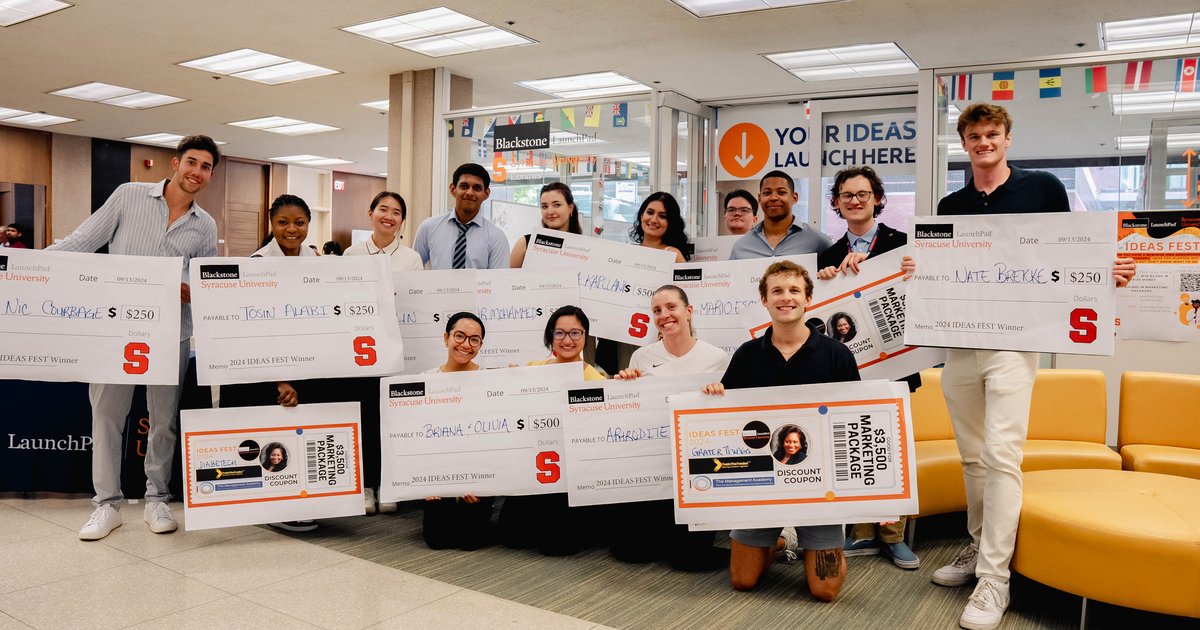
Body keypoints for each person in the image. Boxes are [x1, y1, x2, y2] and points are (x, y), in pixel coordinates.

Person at [903, 103, 1136, 630]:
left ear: (1007, 139)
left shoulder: (1044, 188)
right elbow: (943, 270)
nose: (984, 142)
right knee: (972, 457)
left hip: (1015, 343)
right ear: (963, 143)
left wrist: (1107, 271)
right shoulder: (951, 203)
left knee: (1002, 453)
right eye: (974, 135)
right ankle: (977, 547)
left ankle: (995, 580)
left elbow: (1071, 252)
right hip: (962, 342)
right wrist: (920, 267)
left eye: (992, 134)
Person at [47, 135, 220, 541]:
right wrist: (29, 264)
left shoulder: (205, 225)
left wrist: (189, 289)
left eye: (206, 166)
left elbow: (206, 284)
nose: (196, 172)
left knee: (163, 421)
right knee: (107, 415)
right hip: (117, 329)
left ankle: (156, 498)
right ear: (175, 163)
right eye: (191, 162)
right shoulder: (128, 196)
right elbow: (83, 242)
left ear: (211, 174)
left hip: (172, 332)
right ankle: (106, 505)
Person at [701, 260, 858, 602]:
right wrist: (714, 400)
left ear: (808, 299)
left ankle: (801, 538)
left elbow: (855, 418)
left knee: (825, 590)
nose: (785, 298)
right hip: (762, 481)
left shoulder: (837, 355)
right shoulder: (746, 354)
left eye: (793, 291)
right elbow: (730, 420)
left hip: (819, 482)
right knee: (742, 580)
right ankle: (783, 540)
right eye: (776, 291)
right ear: (764, 300)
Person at [610, 285, 730, 571]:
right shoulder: (641, 356)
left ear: (688, 312)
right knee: (630, 553)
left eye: (671, 307)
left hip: (696, 468)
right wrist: (625, 384)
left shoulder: (717, 358)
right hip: (654, 463)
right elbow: (632, 413)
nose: (664, 315)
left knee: (688, 561)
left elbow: (726, 418)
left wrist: (718, 393)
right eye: (657, 310)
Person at [499, 305, 605, 555]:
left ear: (585, 337)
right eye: (560, 333)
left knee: (557, 546)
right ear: (550, 336)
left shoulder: (597, 381)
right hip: (535, 470)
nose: (567, 340)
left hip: (571, 476)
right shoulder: (531, 370)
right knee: (512, 538)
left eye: (575, 333)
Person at [421, 312, 495, 551]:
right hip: (438, 479)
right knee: (437, 540)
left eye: (474, 340)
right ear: (446, 338)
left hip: (477, 479)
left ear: (481, 345)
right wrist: (423, 484)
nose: (466, 345)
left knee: (471, 542)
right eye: (459, 336)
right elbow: (416, 437)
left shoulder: (490, 381)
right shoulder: (426, 381)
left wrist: (483, 483)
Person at [816, 166, 908, 280]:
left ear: (877, 199)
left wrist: (872, 260)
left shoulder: (905, 244)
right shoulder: (827, 258)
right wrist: (823, 283)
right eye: (847, 195)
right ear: (836, 202)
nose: (854, 201)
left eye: (862, 194)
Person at [412, 163, 509, 269]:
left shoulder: (497, 238)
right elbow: (413, 269)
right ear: (453, 189)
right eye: (464, 186)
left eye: (477, 188)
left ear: (486, 194)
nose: (470, 192)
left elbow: (498, 282)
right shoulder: (428, 228)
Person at [730, 170, 832, 260]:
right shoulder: (741, 247)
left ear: (794, 198)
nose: (773, 197)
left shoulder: (818, 242)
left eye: (781, 192)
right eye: (767, 193)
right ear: (759, 198)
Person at [509, 182, 583, 268]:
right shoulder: (526, 243)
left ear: (570, 208)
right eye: (544, 206)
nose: (550, 212)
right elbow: (507, 279)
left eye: (557, 205)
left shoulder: (583, 248)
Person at [344, 191, 422, 271]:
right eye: (383, 210)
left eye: (396, 213)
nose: (389, 217)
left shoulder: (412, 259)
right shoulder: (351, 254)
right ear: (370, 214)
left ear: (401, 221)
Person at [629, 192, 688, 262]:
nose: (654, 220)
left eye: (662, 216)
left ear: (670, 223)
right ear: (641, 216)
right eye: (650, 212)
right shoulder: (628, 251)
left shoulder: (674, 255)